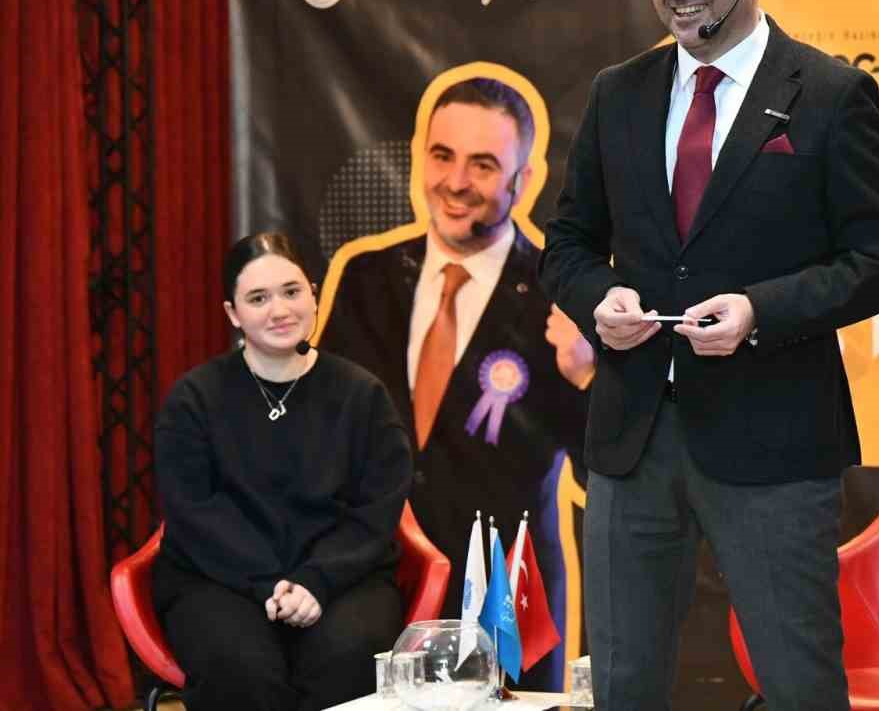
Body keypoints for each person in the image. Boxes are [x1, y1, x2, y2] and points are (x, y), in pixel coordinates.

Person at [540, 0, 879, 710]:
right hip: (632, 440)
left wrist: (759, 312)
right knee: (624, 688)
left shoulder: (829, 95)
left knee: (798, 687)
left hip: (774, 440)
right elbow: (566, 243)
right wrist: (599, 299)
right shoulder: (617, 93)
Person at [319, 74, 592, 691]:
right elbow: (321, 430)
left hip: (505, 597)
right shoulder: (365, 278)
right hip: (373, 585)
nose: (456, 181)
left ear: (524, 180)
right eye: (442, 156)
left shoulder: (562, 293)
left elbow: (600, 469)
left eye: (483, 165)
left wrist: (585, 375)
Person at [152, 232, 412, 711]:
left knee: (348, 655)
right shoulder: (194, 400)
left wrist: (316, 580)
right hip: (220, 578)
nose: (280, 310)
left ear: (312, 294)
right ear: (233, 313)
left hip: (343, 578)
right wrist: (268, 584)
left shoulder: (363, 397)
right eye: (258, 298)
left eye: (292, 292)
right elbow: (194, 514)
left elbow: (374, 513)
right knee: (241, 668)